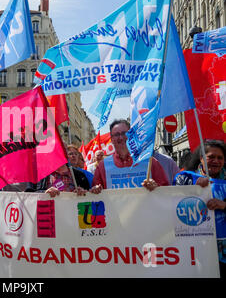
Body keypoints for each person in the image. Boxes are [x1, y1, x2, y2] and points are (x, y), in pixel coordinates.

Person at [173, 140, 226, 278]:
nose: (216, 161)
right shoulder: (185, 178)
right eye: (211, 157)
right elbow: (170, 201)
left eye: (220, 157)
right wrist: (193, 188)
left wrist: (224, 205)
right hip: (197, 250)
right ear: (201, 158)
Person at [92, 119, 169, 192]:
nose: (121, 137)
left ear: (131, 136)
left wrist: (156, 187)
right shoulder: (103, 167)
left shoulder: (150, 162)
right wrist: (95, 190)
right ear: (111, 139)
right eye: (116, 134)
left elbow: (167, 192)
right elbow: (95, 198)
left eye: (124, 133)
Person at [25, 164, 92, 197]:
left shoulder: (79, 175)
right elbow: (28, 195)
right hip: (48, 219)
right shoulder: (37, 174)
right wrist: (45, 193)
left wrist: (83, 192)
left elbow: (88, 196)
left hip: (72, 218)